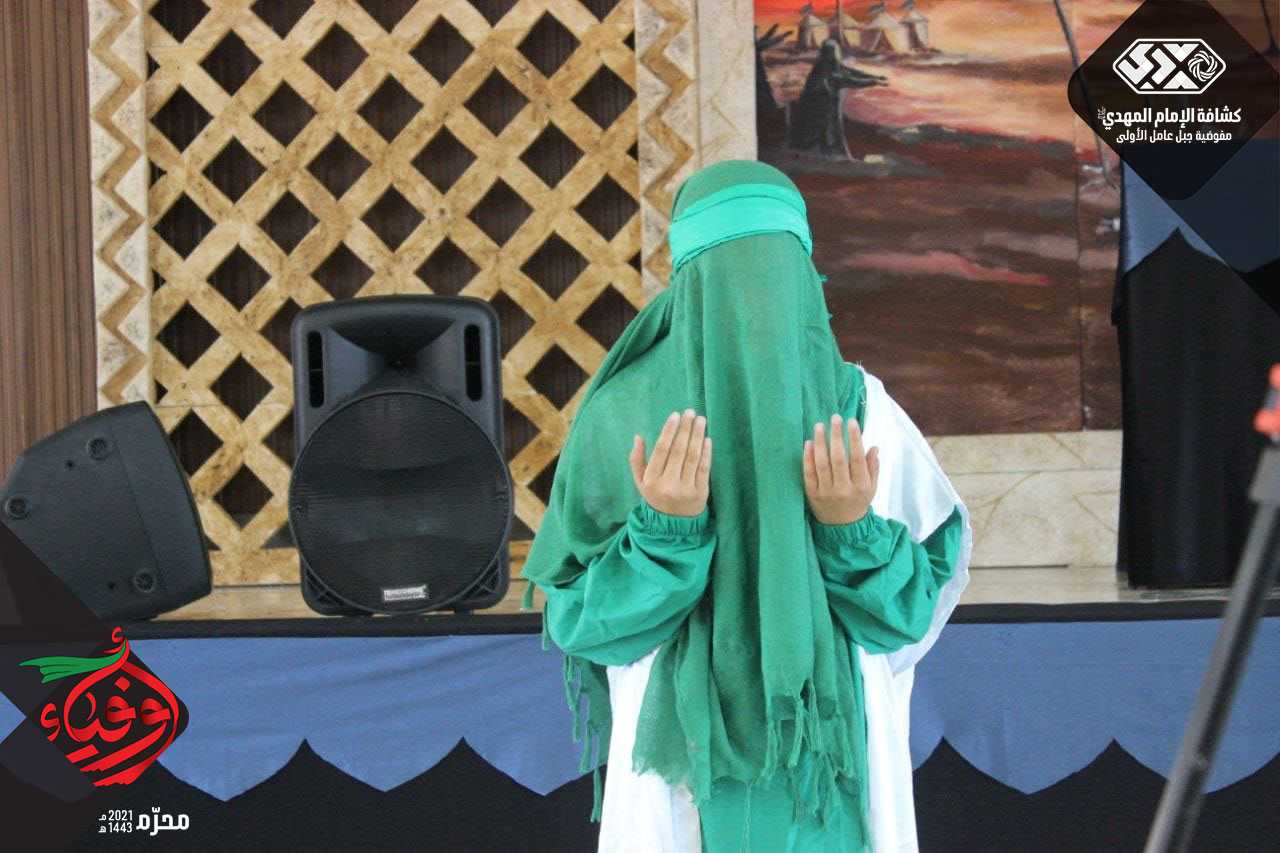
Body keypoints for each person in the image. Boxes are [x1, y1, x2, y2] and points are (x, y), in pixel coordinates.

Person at [520, 159, 971, 852]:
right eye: (728, 272)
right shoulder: (623, 421)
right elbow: (584, 623)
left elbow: (908, 619)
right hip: (682, 769)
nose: (755, 298)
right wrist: (664, 534)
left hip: (833, 759)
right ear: (687, 280)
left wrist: (852, 532)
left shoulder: (864, 416)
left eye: (773, 269)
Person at [787, 38, 887, 159]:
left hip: (825, 106)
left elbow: (851, 72)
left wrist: (874, 77)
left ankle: (826, 153)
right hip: (821, 108)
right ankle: (828, 155)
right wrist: (873, 81)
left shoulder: (824, 66)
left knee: (829, 131)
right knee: (827, 132)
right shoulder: (827, 70)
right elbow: (849, 80)